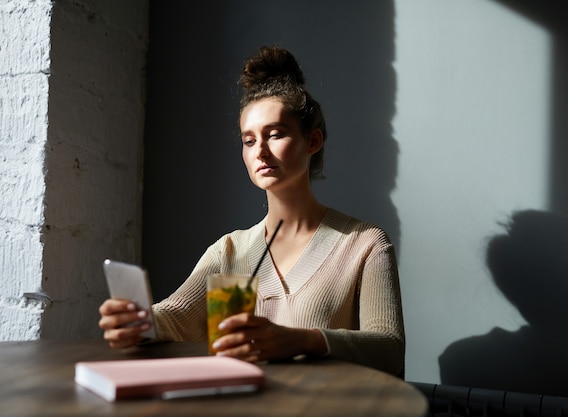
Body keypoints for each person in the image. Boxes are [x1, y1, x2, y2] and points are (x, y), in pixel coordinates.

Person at [98, 45, 405, 377]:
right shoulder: (230, 251)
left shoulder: (364, 244)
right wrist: (137, 321)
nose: (260, 151)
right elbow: (176, 317)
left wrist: (301, 341)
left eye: (275, 135)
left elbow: (389, 349)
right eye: (248, 140)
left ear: (312, 141)